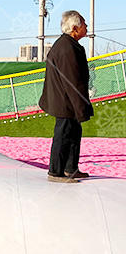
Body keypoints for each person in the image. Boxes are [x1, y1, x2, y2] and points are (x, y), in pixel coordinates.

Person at [38, 10, 94, 183]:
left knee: (74, 132)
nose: (87, 26)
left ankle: (70, 169)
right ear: (75, 28)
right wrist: (81, 108)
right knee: (63, 134)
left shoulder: (68, 44)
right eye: (84, 23)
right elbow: (73, 81)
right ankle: (55, 172)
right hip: (65, 101)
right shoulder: (67, 48)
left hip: (66, 100)